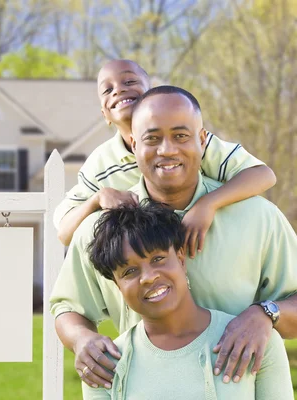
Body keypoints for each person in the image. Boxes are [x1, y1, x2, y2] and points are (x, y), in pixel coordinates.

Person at [49, 86, 297, 390]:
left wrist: (265, 314)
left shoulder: (259, 218)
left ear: (202, 139)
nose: (166, 150)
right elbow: (67, 308)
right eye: (152, 138)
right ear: (133, 143)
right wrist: (82, 339)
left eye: (181, 136)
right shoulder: (102, 230)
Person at [54, 59, 276, 261]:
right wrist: (97, 198)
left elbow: (263, 175)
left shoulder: (192, 142)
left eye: (129, 81)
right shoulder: (101, 164)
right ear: (105, 114)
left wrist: (208, 204)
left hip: (209, 251)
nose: (119, 90)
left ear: (152, 94)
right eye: (107, 89)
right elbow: (64, 233)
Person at [81, 202, 293, 399]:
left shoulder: (255, 341)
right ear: (118, 286)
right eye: (129, 271)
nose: (148, 277)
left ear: (181, 259)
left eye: (158, 259)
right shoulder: (103, 365)